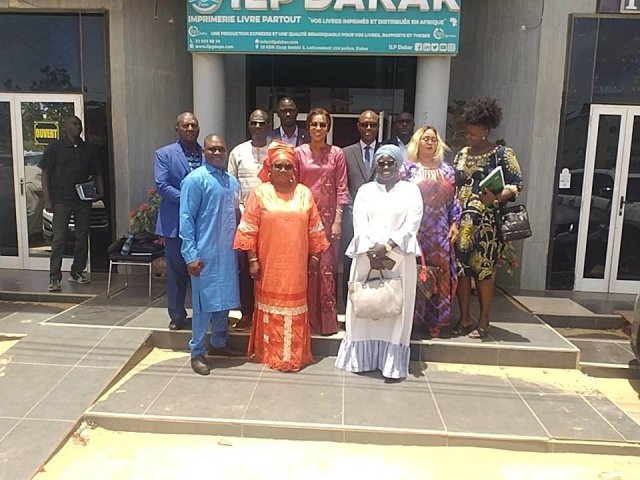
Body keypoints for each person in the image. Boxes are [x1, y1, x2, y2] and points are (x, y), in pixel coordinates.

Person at [234, 142, 329, 372]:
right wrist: (253, 260)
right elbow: (248, 229)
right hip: (269, 265)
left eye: (288, 166)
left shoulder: (304, 193)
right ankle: (270, 353)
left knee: (294, 305)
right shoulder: (259, 193)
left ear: (294, 169)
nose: (283, 170)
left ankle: (292, 354)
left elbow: (315, 229)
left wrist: (314, 259)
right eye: (279, 166)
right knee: (270, 305)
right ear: (270, 167)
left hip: (296, 266)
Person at [335, 145, 423, 380]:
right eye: (381, 163)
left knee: (395, 308)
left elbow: (412, 223)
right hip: (367, 256)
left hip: (399, 258)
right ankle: (359, 360)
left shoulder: (411, 191)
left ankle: (391, 364)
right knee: (363, 306)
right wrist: (373, 252)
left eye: (390, 163)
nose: (385, 167)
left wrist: (388, 247)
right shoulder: (365, 191)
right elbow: (359, 222)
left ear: (398, 164)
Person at [454, 97, 524, 339]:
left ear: (485, 130)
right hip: (461, 221)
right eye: (466, 132)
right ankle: (464, 318)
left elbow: (517, 184)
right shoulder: (461, 155)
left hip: (487, 225)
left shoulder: (502, 154)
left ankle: (484, 320)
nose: (468, 137)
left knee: (483, 271)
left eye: (472, 133)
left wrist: (495, 198)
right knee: (462, 270)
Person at [180, 134, 243, 375]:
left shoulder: (231, 182)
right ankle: (197, 351)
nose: (217, 153)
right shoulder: (195, 180)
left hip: (227, 253)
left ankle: (219, 342)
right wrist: (191, 255)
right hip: (203, 254)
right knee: (203, 305)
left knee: (223, 301)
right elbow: (186, 218)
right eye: (212, 149)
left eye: (221, 149)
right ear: (203, 152)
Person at [402, 126, 461, 338]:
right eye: (425, 139)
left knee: (442, 275)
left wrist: (455, 224)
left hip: (441, 231)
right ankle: (413, 321)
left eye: (433, 139)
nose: (429, 143)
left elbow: (455, 200)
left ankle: (437, 322)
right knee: (416, 273)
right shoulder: (408, 169)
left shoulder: (448, 170)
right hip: (416, 231)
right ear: (417, 142)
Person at [296, 108, 349, 335]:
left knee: (327, 270)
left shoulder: (337, 154)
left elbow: (342, 188)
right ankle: (305, 322)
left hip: (328, 220)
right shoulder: (298, 153)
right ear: (308, 127)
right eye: (314, 124)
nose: (318, 128)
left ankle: (326, 323)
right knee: (305, 268)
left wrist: (338, 220)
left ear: (328, 128)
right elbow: (293, 185)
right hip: (303, 218)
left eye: (322, 125)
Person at [39, 116, 104, 292]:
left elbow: (97, 172)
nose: (78, 127)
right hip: (61, 199)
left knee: (82, 236)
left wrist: (100, 192)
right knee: (59, 238)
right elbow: (45, 173)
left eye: (79, 124)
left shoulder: (88, 149)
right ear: (66, 127)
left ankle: (77, 271)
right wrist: (47, 199)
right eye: (74, 124)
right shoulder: (55, 148)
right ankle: (54, 277)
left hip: (83, 199)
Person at [155, 112, 203, 331]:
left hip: (202, 223)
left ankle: (203, 312)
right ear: (177, 128)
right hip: (175, 223)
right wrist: (189, 199)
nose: (190, 129)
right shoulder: (164, 154)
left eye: (194, 125)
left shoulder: (206, 153)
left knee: (202, 270)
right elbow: (162, 185)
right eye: (186, 125)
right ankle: (176, 315)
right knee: (176, 271)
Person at [228, 109, 271, 331]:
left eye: (262, 123)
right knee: (246, 268)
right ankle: (247, 313)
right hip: (246, 219)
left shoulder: (276, 150)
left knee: (270, 266)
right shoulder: (238, 152)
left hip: (272, 219)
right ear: (249, 125)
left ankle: (268, 312)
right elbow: (231, 187)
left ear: (268, 126)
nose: (258, 127)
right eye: (254, 123)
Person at [341, 110, 380, 310]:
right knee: (351, 264)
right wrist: (354, 211)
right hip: (351, 220)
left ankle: (375, 307)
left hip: (380, 221)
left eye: (372, 124)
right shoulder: (346, 153)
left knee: (377, 263)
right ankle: (349, 308)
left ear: (378, 126)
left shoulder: (386, 152)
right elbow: (343, 185)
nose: (368, 128)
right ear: (358, 126)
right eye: (364, 124)